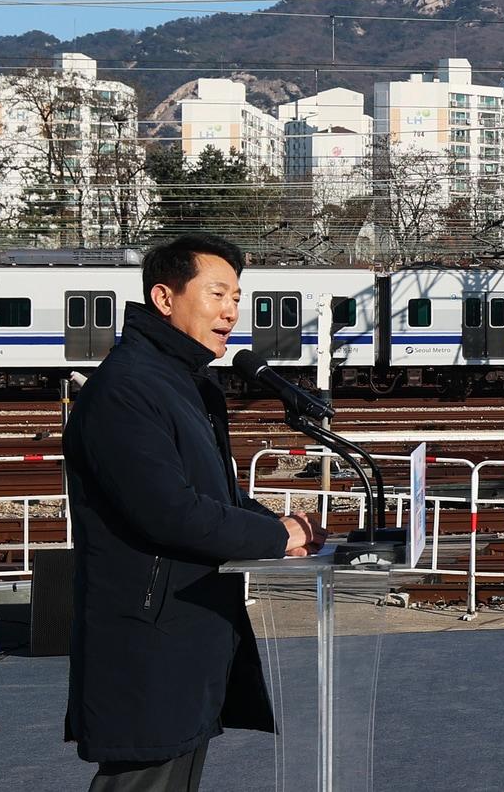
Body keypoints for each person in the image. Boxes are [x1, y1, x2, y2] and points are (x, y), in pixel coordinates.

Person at [63, 234, 326, 791]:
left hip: (186, 625)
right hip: (149, 632)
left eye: (237, 296)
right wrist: (275, 537)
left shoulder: (180, 381)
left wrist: (281, 528)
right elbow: (169, 511)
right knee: (144, 778)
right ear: (164, 298)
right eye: (216, 294)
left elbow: (213, 492)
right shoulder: (128, 388)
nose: (231, 311)